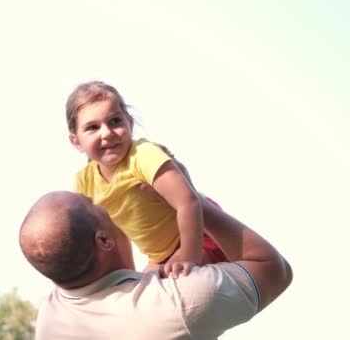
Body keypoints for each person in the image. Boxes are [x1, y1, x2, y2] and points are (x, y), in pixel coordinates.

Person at [19, 190, 293, 339]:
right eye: (93, 202)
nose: (103, 198)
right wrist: (190, 200)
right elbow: (275, 270)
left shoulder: (51, 320)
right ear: (103, 240)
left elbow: (130, 298)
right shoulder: (180, 304)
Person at [66, 80, 224, 275]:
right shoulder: (84, 182)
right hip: (160, 256)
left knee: (182, 285)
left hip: (200, 235)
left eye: (115, 121)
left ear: (129, 124)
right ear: (76, 141)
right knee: (135, 292)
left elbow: (188, 202)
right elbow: (116, 233)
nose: (106, 132)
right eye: (92, 128)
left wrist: (188, 254)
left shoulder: (142, 155)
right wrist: (127, 273)